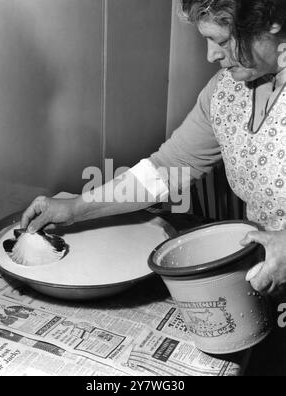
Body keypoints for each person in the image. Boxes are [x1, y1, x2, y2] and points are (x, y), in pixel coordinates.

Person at [22, 0, 286, 297]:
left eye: (222, 40)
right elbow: (165, 169)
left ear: (270, 22)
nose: (211, 54)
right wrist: (75, 208)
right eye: (207, 40)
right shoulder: (226, 91)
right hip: (266, 275)